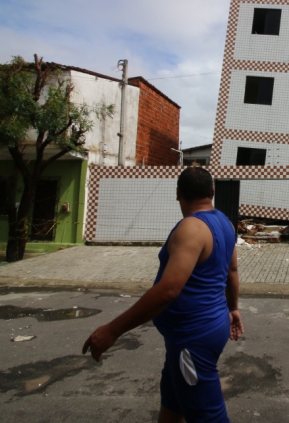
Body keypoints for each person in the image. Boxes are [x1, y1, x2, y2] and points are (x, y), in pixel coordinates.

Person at [83, 167, 244, 423]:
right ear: (212, 192)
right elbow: (232, 270)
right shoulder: (224, 222)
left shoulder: (191, 228)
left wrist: (113, 330)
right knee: (172, 405)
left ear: (177, 194)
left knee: (208, 416)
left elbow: (168, 290)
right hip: (205, 328)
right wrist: (233, 308)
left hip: (193, 339)